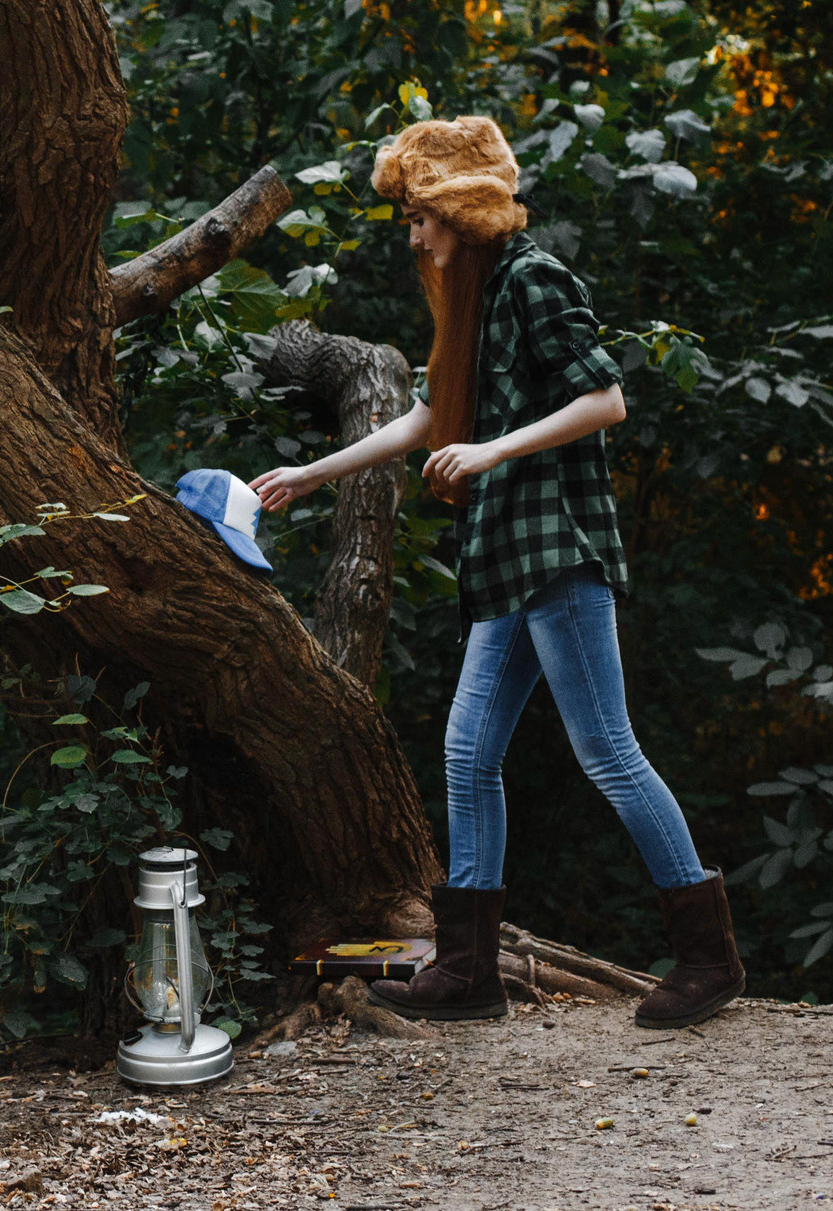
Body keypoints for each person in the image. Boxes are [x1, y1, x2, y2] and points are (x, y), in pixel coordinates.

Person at [249, 116, 743, 1030]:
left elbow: (606, 398)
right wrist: (311, 474)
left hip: (556, 548)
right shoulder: (469, 301)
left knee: (608, 751)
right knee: (468, 752)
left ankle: (709, 957)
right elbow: (427, 419)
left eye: (420, 218)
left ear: (460, 212)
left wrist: (492, 450)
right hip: (507, 557)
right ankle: (469, 969)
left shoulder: (534, 278)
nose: (413, 237)